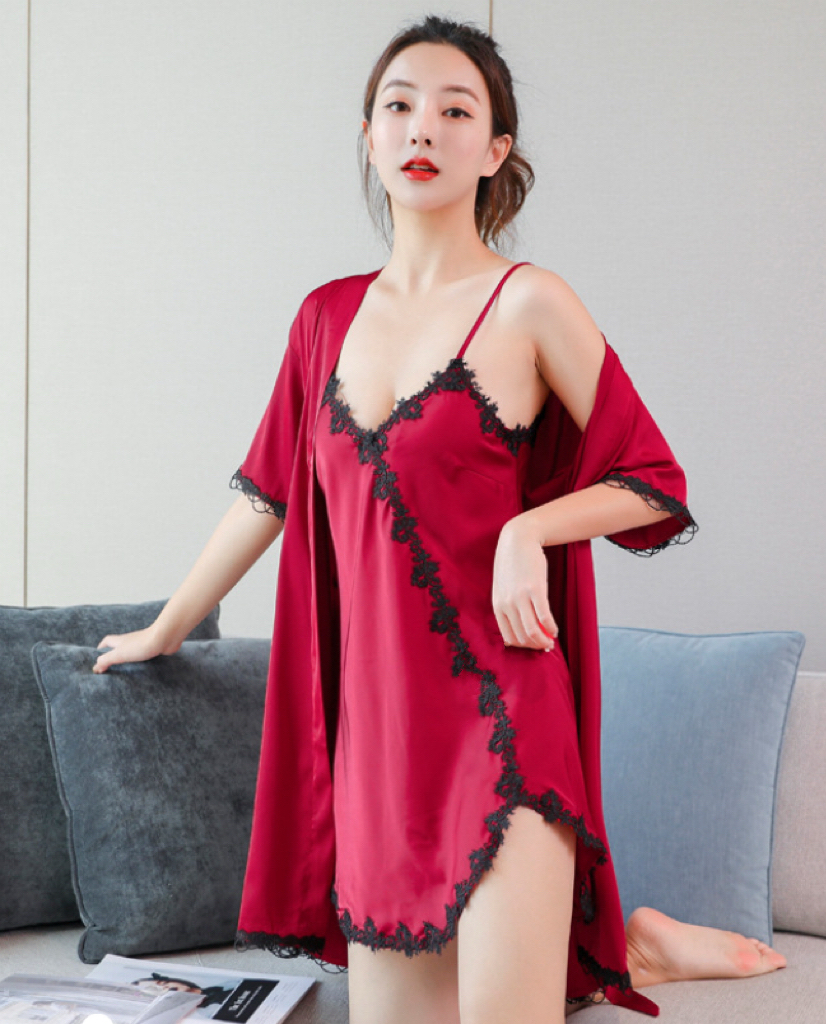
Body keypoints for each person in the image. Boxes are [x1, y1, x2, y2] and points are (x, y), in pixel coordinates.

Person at [92, 14, 787, 1024]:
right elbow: (266, 492)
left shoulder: (529, 302)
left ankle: (607, 945)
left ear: (495, 149)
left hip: (506, 720)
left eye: (456, 111)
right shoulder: (322, 318)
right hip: (381, 752)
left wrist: (528, 530)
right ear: (370, 137)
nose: (423, 126)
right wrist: (165, 627)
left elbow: (653, 480)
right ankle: (629, 946)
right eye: (399, 105)